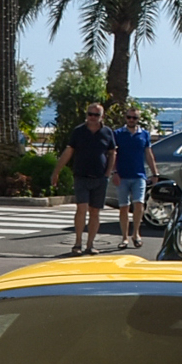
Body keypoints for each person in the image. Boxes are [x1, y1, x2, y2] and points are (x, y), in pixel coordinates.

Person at [51, 101, 116, 254]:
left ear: (102, 116)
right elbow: (69, 151)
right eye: (90, 114)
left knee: (95, 211)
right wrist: (56, 171)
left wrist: (108, 173)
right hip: (81, 176)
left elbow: (112, 152)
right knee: (81, 209)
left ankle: (90, 244)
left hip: (100, 177)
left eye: (96, 115)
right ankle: (78, 243)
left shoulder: (107, 132)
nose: (93, 117)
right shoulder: (79, 131)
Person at [110, 106, 157, 250]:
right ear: (125, 118)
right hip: (122, 176)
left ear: (138, 119)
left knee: (139, 204)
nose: (131, 120)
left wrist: (155, 173)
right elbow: (113, 154)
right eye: (129, 117)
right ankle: (124, 237)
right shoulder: (118, 134)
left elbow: (148, 154)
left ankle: (136, 234)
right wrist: (114, 172)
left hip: (139, 175)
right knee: (123, 207)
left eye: (134, 118)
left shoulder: (144, 135)